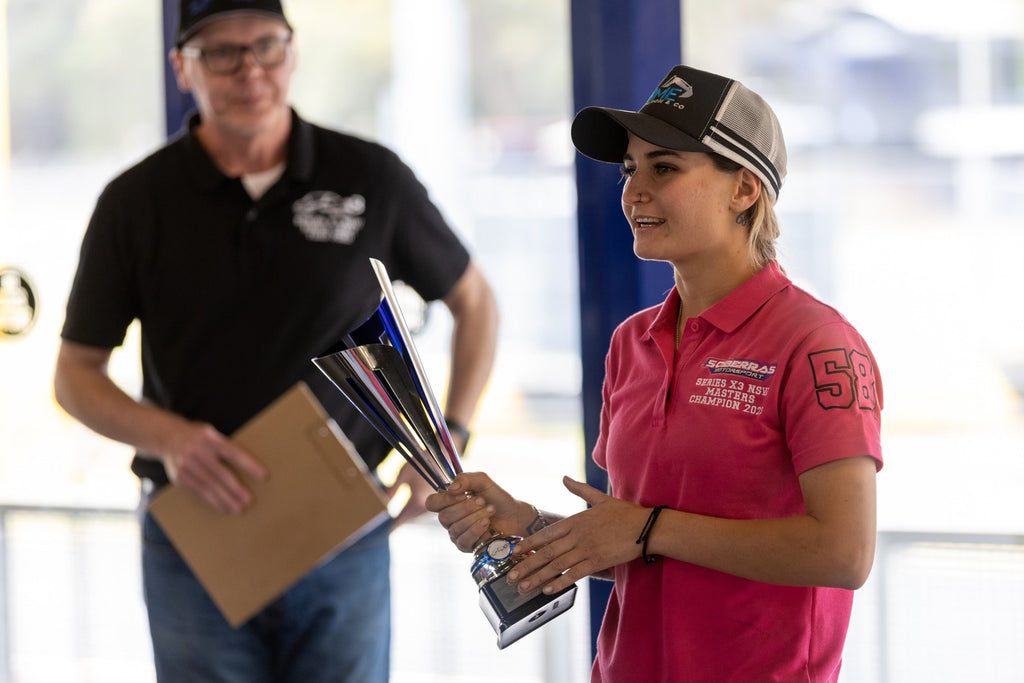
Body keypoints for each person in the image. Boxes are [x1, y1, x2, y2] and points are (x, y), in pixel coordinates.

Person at [53, 1, 498, 681]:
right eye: (222, 53)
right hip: (196, 537)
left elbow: (475, 303)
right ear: (182, 68)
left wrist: (448, 438)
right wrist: (169, 437)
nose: (250, 69)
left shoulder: (369, 177)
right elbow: (75, 375)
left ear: (292, 51)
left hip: (341, 530)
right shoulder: (136, 202)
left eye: (267, 45)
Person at [427, 64, 882, 683]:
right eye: (628, 169)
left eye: (664, 168)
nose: (634, 190)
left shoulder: (817, 343)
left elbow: (844, 554)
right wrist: (531, 527)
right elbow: (637, 548)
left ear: (744, 189)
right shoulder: (630, 344)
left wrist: (647, 529)